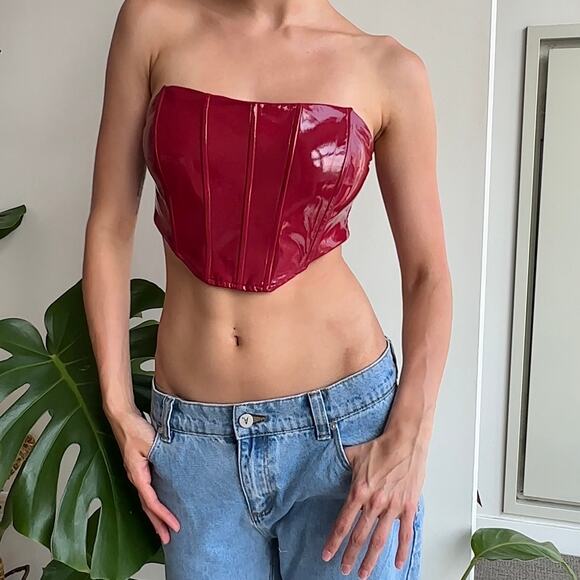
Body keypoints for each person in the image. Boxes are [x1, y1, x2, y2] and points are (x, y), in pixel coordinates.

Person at [82, 0, 452, 578]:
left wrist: (412, 436)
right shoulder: (151, 24)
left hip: (345, 436)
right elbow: (109, 225)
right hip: (195, 445)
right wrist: (117, 404)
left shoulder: (388, 68)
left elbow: (428, 273)